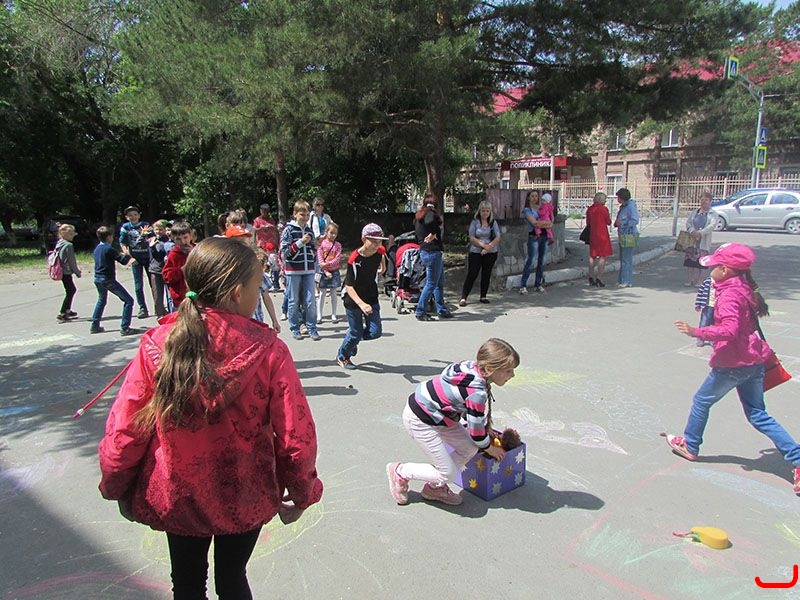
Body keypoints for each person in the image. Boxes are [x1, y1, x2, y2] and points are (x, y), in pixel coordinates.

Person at [98, 237, 323, 599]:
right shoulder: (268, 349)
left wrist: (116, 483)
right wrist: (302, 492)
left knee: (187, 583)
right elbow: (295, 434)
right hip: (244, 492)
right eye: (257, 287)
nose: (259, 295)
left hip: (179, 491)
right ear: (237, 292)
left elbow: (127, 426)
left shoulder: (160, 342)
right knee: (233, 577)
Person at [666, 242, 800, 494]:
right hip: (754, 359)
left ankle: (690, 445)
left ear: (725, 270)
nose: (711, 270)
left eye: (715, 266)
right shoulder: (743, 287)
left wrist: (696, 331)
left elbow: (729, 330)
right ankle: (798, 459)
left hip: (733, 363)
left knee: (701, 401)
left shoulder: (729, 294)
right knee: (758, 414)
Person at [386, 338, 519, 506]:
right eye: (508, 371)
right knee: (448, 474)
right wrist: (490, 448)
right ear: (489, 369)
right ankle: (400, 472)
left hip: (440, 416)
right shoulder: (477, 392)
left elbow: (465, 407)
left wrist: (483, 431)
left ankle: (434, 488)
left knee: (470, 448)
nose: (512, 375)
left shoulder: (471, 367)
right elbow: (476, 433)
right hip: (421, 420)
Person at [336, 223, 387, 370]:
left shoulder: (380, 251)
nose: (377, 244)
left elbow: (382, 267)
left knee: (375, 332)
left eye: (380, 241)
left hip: (371, 296)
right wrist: (361, 304)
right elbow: (349, 286)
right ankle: (343, 356)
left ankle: (353, 339)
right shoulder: (354, 258)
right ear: (364, 239)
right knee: (356, 332)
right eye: (374, 241)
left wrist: (381, 269)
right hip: (353, 299)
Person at [281, 200, 320, 341]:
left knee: (310, 300)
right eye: (302, 214)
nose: (305, 218)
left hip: (308, 270)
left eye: (307, 215)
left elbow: (313, 249)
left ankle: (312, 327)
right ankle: (295, 327)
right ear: (295, 214)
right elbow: (285, 252)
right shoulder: (289, 230)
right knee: (294, 300)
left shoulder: (309, 230)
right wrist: (300, 243)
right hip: (293, 270)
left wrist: (314, 247)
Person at [90, 226, 138, 336]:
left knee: (101, 300)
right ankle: (125, 327)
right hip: (107, 279)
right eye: (111, 236)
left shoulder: (97, 249)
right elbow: (122, 260)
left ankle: (94, 325)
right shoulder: (108, 249)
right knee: (128, 300)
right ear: (108, 237)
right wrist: (128, 256)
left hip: (97, 278)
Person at [414, 194, 452, 320]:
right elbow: (430, 221)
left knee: (438, 283)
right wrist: (434, 233)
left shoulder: (419, 215)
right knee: (431, 284)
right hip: (432, 253)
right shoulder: (430, 214)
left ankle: (441, 309)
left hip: (426, 251)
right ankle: (420, 312)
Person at [460, 200, 501, 306]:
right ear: (479, 211)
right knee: (472, 273)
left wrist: (488, 247)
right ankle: (464, 297)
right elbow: (472, 238)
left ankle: (483, 296)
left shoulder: (493, 223)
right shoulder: (475, 222)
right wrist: (483, 245)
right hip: (476, 251)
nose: (485, 213)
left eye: (487, 211)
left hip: (490, 252)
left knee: (486, 273)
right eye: (483, 211)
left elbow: (497, 237)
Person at [119, 206, 153, 319]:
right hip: (135, 259)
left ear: (139, 215)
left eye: (135, 214)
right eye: (130, 215)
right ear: (126, 217)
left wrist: (146, 236)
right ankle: (142, 308)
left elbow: (153, 238)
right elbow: (123, 243)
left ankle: (159, 306)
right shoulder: (125, 227)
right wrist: (128, 256)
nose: (133, 217)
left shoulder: (145, 225)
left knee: (153, 283)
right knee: (138, 286)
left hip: (148, 257)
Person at [519, 190, 552, 294]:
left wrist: (545, 223)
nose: (534, 198)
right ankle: (523, 285)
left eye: (536, 196)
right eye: (532, 196)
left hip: (544, 236)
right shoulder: (527, 210)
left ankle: (538, 284)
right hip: (534, 237)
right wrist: (546, 224)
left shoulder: (541, 207)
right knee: (531, 260)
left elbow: (551, 221)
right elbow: (534, 223)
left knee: (542, 261)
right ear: (528, 197)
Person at [684, 191, 715, 287]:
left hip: (703, 241)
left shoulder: (712, 214)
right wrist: (692, 231)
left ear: (710, 201)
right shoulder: (695, 212)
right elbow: (688, 223)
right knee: (690, 262)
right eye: (702, 199)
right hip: (692, 240)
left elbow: (712, 226)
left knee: (702, 262)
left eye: (706, 200)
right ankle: (690, 280)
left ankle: (700, 281)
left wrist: (700, 233)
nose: (704, 202)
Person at [162, 221, 195, 309]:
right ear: (173, 239)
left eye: (185, 237)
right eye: (178, 239)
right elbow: (166, 276)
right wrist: (181, 270)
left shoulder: (198, 250)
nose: (183, 242)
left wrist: (194, 255)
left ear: (191, 235)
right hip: (181, 299)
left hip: (198, 296)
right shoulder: (174, 254)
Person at [54, 223, 82, 322]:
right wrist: (77, 272)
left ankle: (67, 310)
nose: (73, 235)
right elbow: (71, 261)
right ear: (64, 234)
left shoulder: (60, 243)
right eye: (70, 234)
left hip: (60, 270)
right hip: (65, 272)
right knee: (71, 291)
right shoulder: (68, 245)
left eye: (73, 233)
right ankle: (62, 313)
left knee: (70, 290)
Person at [585, 191, 613, 287]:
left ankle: (591, 276)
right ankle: (599, 278)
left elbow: (588, 223)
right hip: (602, 235)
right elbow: (608, 222)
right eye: (605, 199)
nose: (605, 201)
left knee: (592, 256)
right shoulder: (604, 209)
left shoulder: (590, 209)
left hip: (593, 234)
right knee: (602, 256)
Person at [316, 223, 342, 324]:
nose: (333, 235)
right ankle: (319, 315)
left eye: (335, 233)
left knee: (334, 293)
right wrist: (325, 270)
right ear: (326, 232)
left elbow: (337, 259)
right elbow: (320, 258)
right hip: (324, 272)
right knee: (322, 293)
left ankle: (334, 314)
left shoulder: (338, 245)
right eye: (331, 233)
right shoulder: (322, 244)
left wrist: (326, 264)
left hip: (334, 270)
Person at [613, 188, 639, 288]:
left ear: (622, 197)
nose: (617, 199)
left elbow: (635, 220)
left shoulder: (630, 207)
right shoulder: (623, 207)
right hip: (623, 235)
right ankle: (622, 279)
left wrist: (623, 224)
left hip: (629, 235)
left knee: (626, 259)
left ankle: (626, 281)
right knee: (623, 258)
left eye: (618, 197)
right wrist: (617, 223)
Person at [148, 220, 171, 317]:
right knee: (157, 295)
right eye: (156, 229)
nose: (158, 232)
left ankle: (171, 313)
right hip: (155, 270)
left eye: (161, 229)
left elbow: (161, 254)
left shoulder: (169, 240)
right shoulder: (152, 240)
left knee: (170, 295)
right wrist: (151, 246)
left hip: (167, 270)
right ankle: (160, 314)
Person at [694, 274, 715, 348]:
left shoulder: (722, 282)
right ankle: (700, 338)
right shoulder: (707, 281)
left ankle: (712, 339)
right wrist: (698, 304)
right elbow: (700, 293)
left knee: (714, 324)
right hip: (707, 306)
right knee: (704, 323)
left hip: (718, 307)